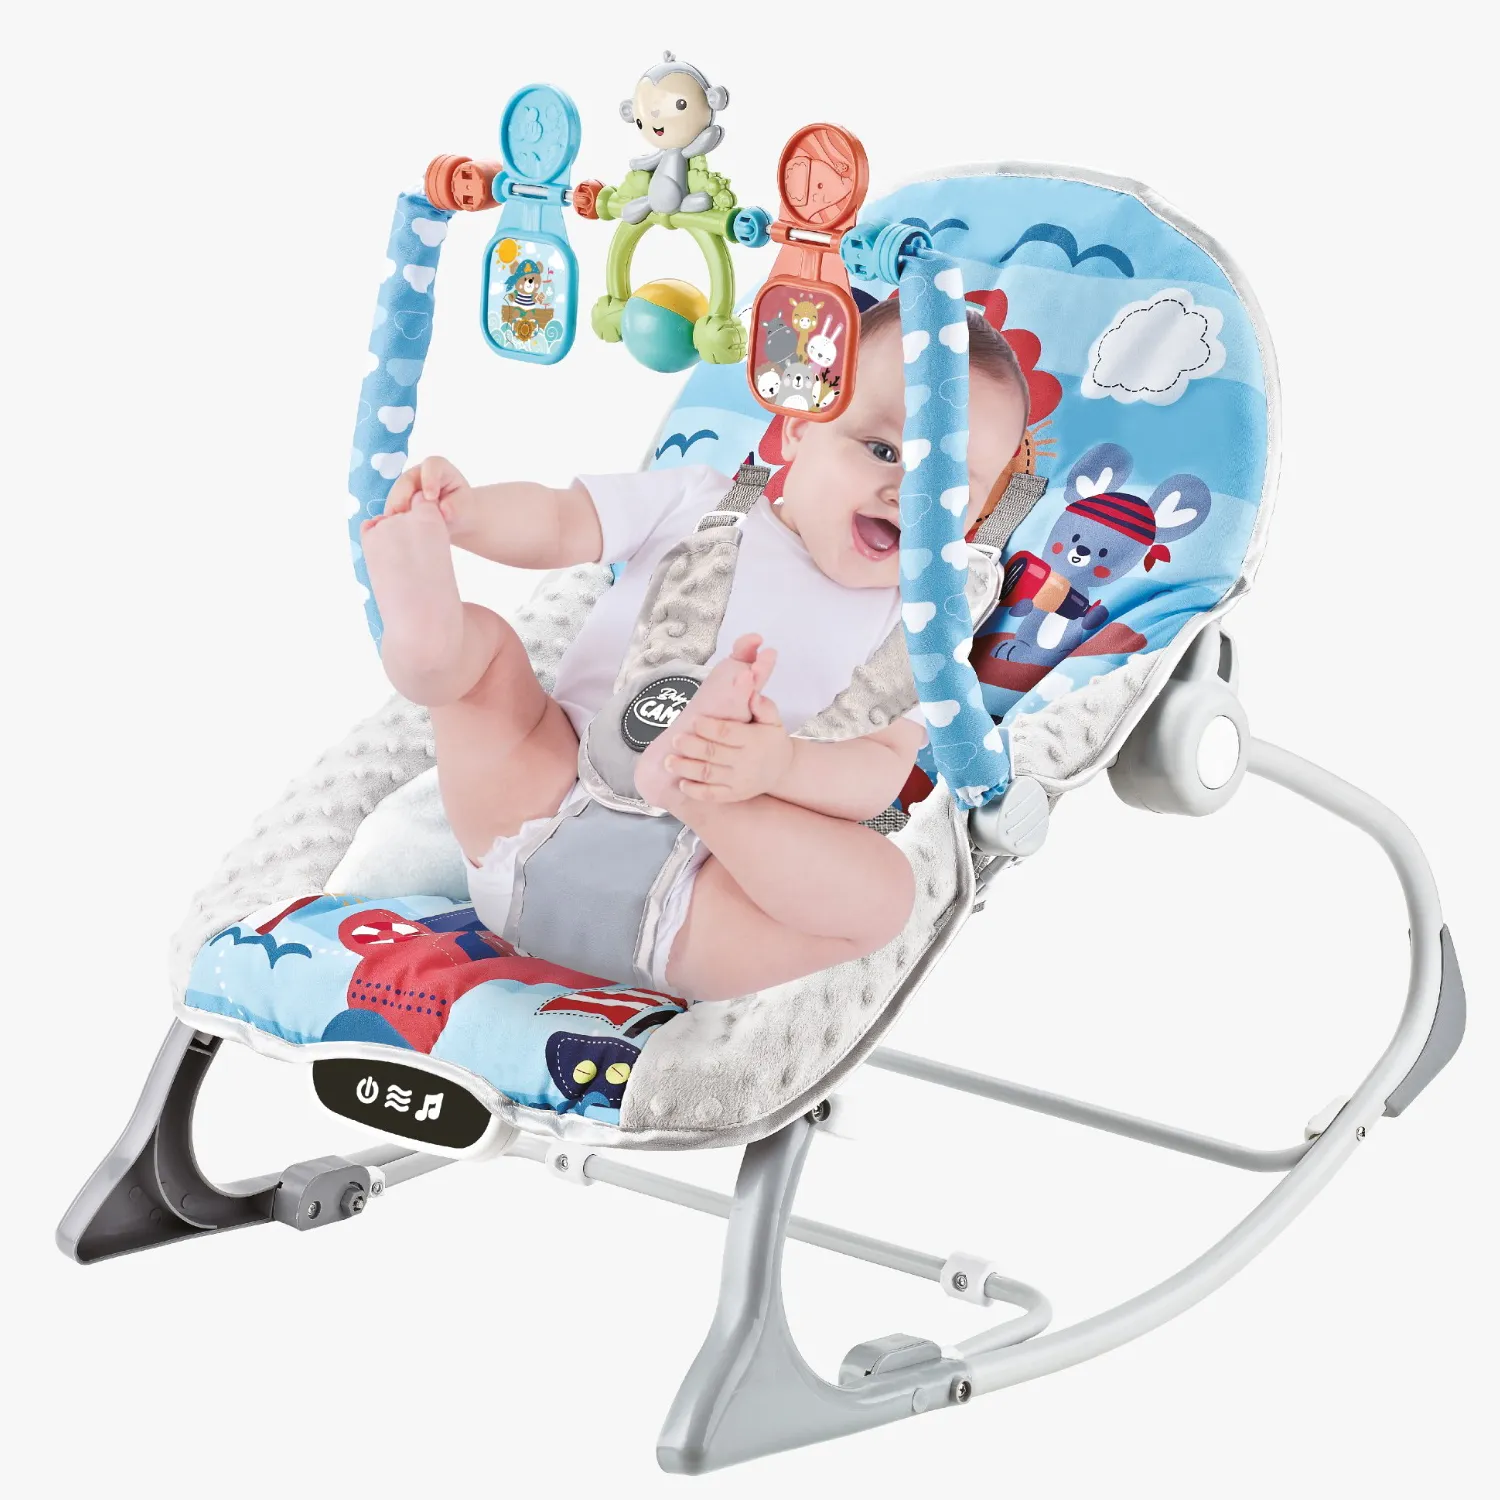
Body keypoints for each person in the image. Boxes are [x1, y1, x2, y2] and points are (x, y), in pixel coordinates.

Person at [361, 297, 1029, 1001]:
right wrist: (469, 515)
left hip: (704, 900)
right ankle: (426, 643)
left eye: (947, 490)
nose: (906, 494)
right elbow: (561, 522)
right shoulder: (701, 502)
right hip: (542, 801)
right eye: (883, 450)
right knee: (484, 651)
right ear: (799, 428)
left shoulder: (921, 627)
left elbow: (879, 771)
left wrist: (777, 766)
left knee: (885, 895)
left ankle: (694, 788)